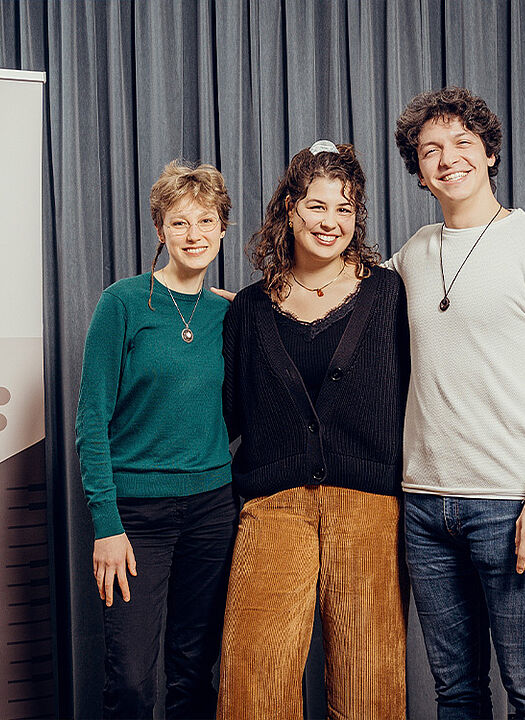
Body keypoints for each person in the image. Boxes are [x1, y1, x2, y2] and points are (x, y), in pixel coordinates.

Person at [391, 87, 525, 719]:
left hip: (511, 505)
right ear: (419, 173)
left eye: (461, 143)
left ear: (489, 153)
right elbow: (335, 292)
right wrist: (243, 304)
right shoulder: (413, 255)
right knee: (456, 692)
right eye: (430, 150)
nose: (447, 159)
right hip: (422, 506)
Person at [216, 141, 410, 719]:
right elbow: (224, 410)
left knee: (369, 682)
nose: (331, 222)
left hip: (370, 507)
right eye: (318, 206)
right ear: (290, 211)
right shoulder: (248, 310)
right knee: (252, 678)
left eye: (345, 209)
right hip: (273, 506)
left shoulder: (389, 293)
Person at [75, 161, 238, 719]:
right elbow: (91, 420)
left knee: (195, 671)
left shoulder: (232, 313)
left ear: (223, 229)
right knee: (131, 679)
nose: (194, 235)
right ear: (160, 230)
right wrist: (107, 525)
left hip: (213, 512)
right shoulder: (121, 304)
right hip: (135, 516)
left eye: (207, 221)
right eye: (180, 222)